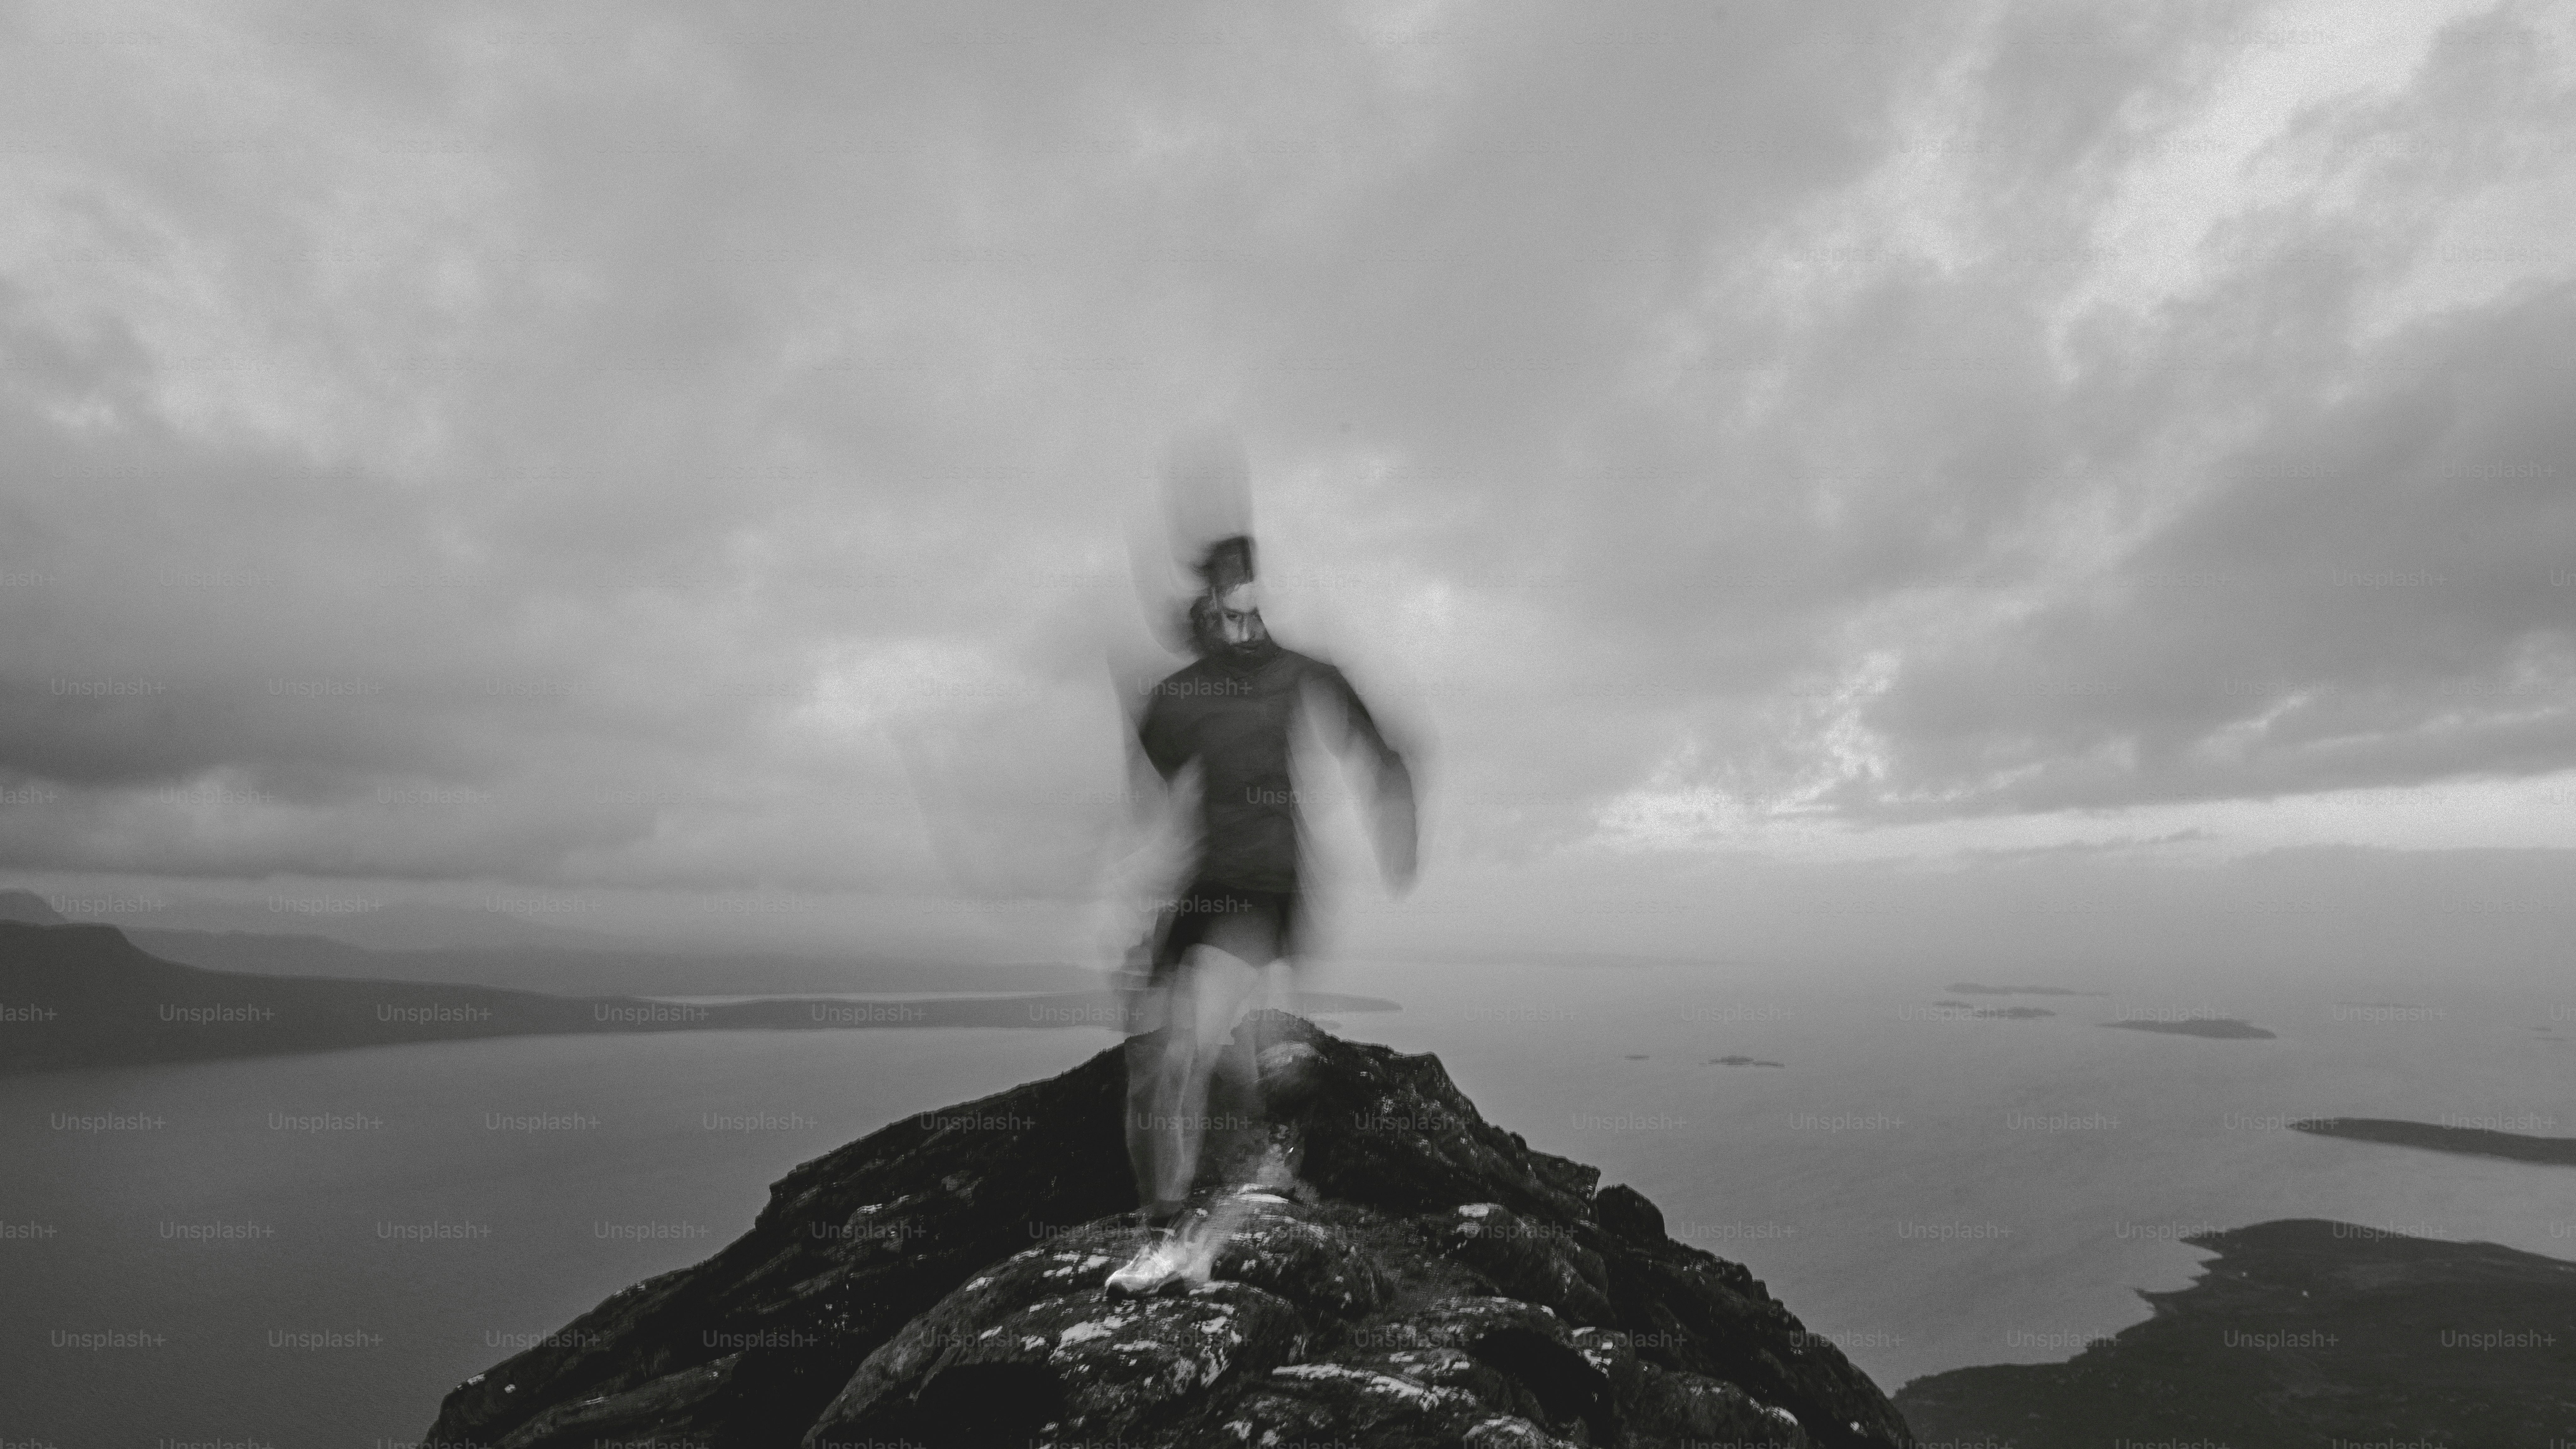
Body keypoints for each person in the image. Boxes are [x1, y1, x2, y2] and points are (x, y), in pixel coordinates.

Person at [1106, 532, 1417, 1295]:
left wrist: (1393, 802)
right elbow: (1152, 776)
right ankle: (1179, 1217)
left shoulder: (1290, 672)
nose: (1227, 606)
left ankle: (1206, 1209)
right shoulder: (1189, 691)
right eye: (1216, 593)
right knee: (1154, 1050)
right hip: (1211, 882)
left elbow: (1377, 741)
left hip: (1266, 883)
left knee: (1196, 1046)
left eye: (1239, 588)